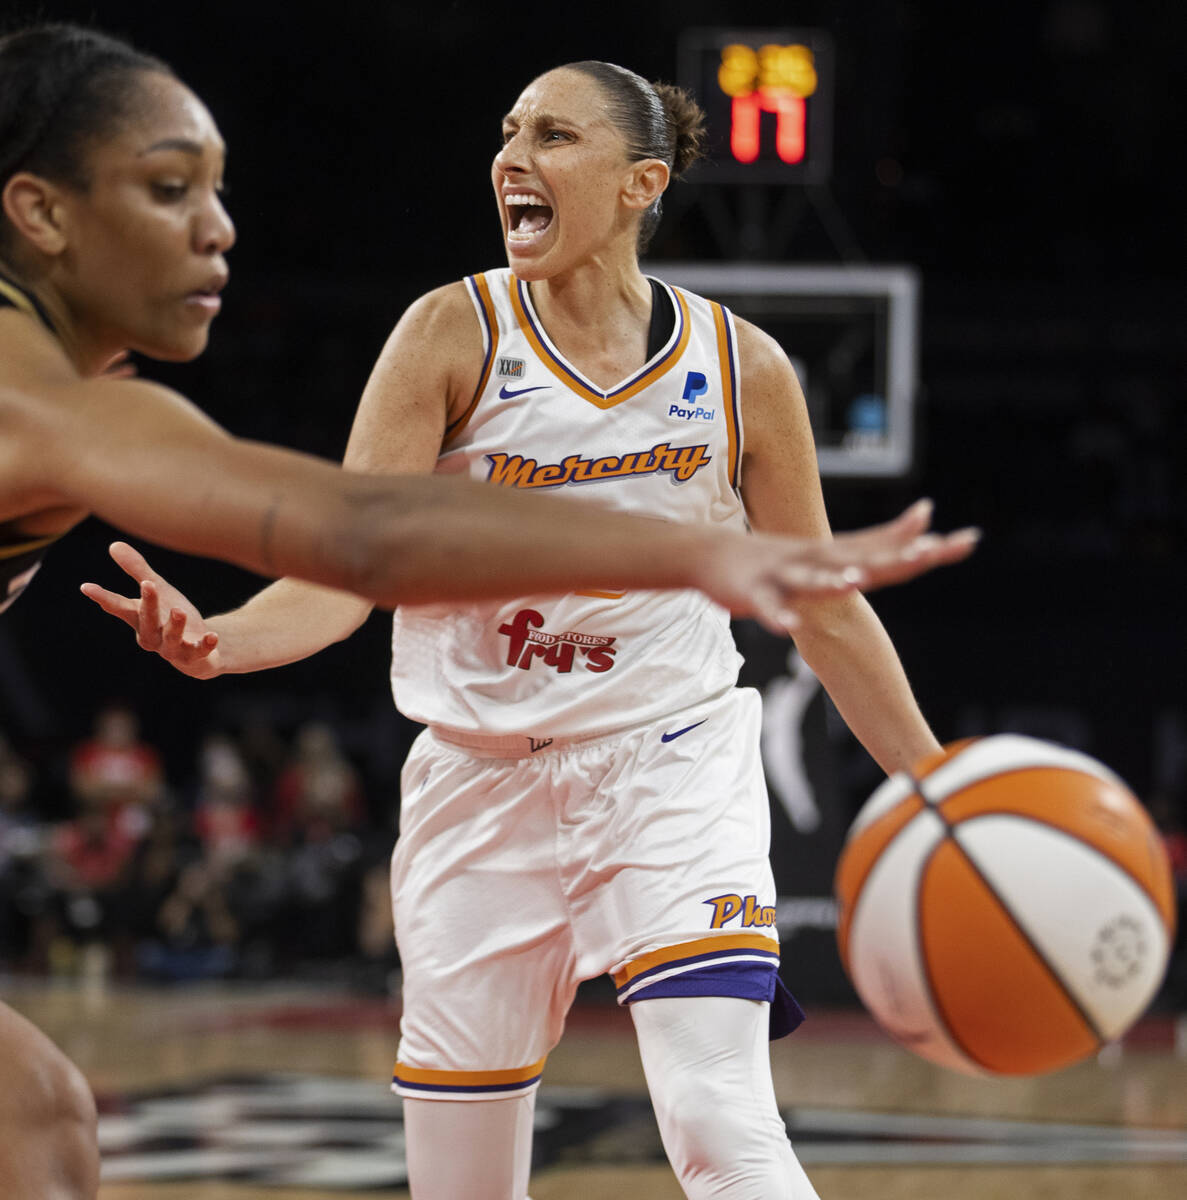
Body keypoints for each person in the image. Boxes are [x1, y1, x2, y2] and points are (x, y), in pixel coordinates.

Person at [0, 24, 976, 1199]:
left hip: (666, 759)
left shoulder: (743, 368)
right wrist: (234, 641)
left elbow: (825, 615)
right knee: (457, 1181)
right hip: (477, 780)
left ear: (639, 186)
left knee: (719, 1115)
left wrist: (940, 791)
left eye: (551, 134)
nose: (511, 154)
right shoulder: (448, 331)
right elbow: (347, 555)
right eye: (508, 131)